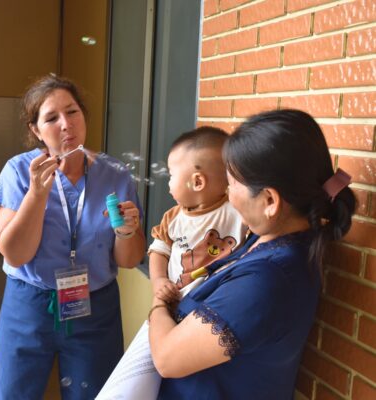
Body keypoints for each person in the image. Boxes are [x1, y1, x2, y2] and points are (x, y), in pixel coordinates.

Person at [148, 109, 356, 399]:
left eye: (231, 184)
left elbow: (168, 359)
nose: (228, 196)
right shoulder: (267, 236)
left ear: (270, 200)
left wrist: (159, 305)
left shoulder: (267, 281)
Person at [0, 74, 146, 399]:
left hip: (95, 305)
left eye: (72, 112)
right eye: (51, 118)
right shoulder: (19, 172)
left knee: (95, 392)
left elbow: (128, 260)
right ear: (35, 130)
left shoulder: (114, 174)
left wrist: (128, 231)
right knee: (12, 393)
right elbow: (15, 254)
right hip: (30, 302)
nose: (65, 124)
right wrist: (37, 194)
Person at [148, 126, 247, 304]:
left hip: (216, 304)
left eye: (171, 175)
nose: (168, 182)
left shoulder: (238, 211)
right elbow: (158, 251)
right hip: (174, 302)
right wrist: (159, 281)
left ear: (197, 182)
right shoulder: (172, 217)